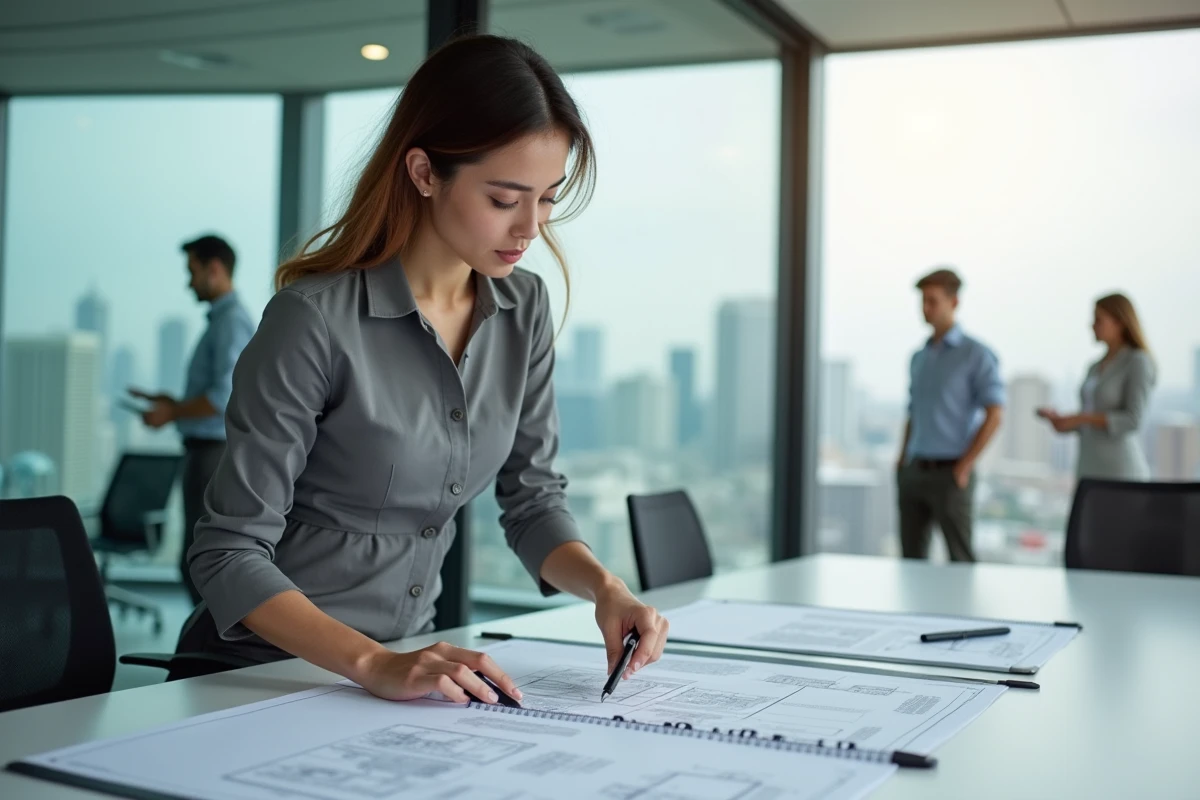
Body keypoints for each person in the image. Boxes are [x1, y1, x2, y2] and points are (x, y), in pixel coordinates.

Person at [185, 35, 669, 706]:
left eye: (548, 198)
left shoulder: (521, 305)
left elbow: (531, 502)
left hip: (409, 673)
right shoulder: (313, 319)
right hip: (259, 672)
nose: (530, 227)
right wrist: (373, 663)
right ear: (423, 173)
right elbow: (227, 555)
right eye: (505, 199)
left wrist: (605, 588)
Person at [130, 234, 254, 606]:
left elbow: (222, 397)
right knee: (195, 556)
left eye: (193, 271)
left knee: (198, 561)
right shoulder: (222, 321)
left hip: (212, 454)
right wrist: (174, 404)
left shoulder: (231, 323)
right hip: (205, 452)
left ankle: (205, 653)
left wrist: (173, 412)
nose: (189, 283)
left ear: (214, 269)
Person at [896, 268, 1005, 562]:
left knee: (960, 561)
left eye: (933, 301)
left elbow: (995, 413)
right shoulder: (919, 357)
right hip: (915, 470)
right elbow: (913, 412)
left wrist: (964, 466)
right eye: (923, 301)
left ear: (954, 302)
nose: (925, 308)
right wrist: (901, 459)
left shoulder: (976, 355)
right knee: (910, 562)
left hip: (951, 474)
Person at [1037, 293, 1156, 480]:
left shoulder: (1137, 361)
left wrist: (1081, 418)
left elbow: (1133, 420)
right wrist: (1065, 422)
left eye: (1098, 320)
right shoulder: (1094, 366)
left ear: (1120, 322)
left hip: (1120, 470)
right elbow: (1090, 419)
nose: (1092, 325)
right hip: (1088, 466)